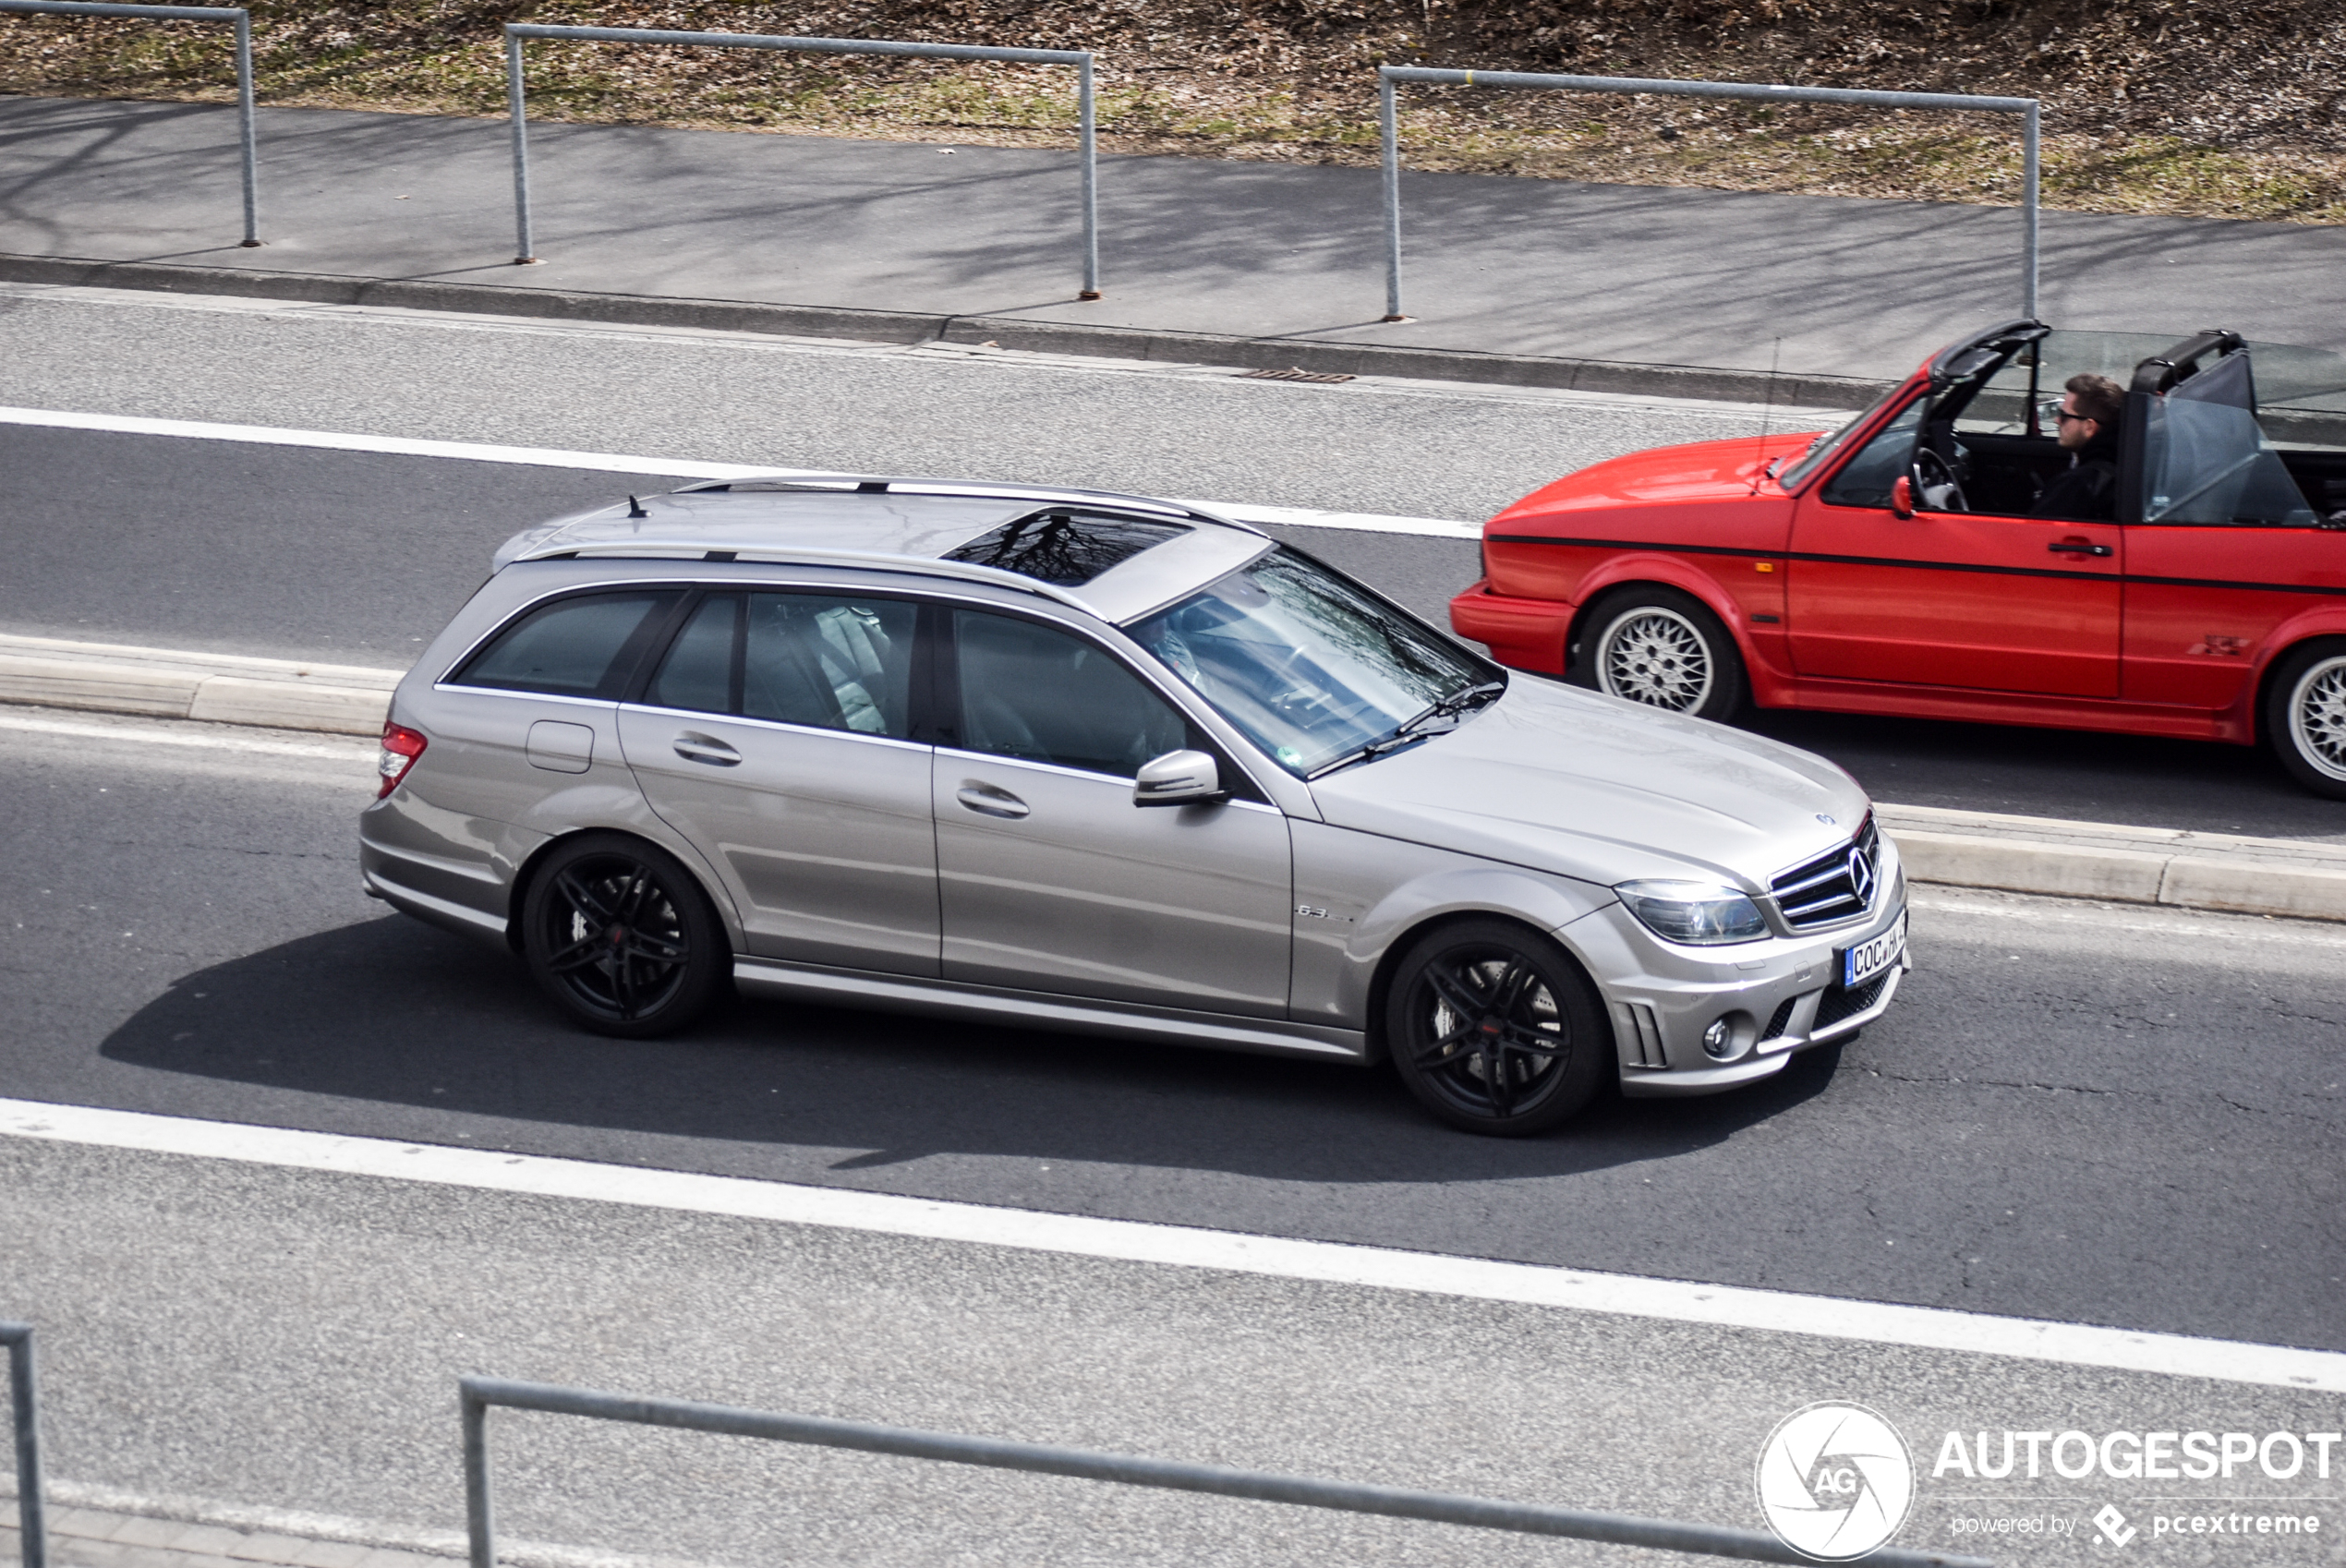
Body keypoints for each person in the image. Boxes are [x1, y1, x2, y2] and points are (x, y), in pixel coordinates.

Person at [2031, 373, 2124, 521]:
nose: (2057, 420)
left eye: (2064, 416)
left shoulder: (2078, 485)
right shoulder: (2126, 461)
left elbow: (2036, 534)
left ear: (2089, 427)